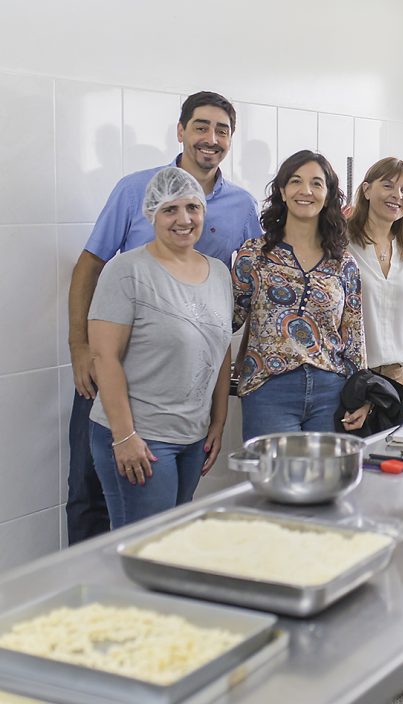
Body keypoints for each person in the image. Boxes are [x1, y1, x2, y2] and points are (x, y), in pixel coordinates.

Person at [66, 91, 261, 544]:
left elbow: (252, 286)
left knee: (168, 533)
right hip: (123, 372)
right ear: (181, 130)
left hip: (186, 401)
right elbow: (89, 266)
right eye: (201, 126)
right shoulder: (133, 198)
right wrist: (79, 346)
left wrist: (216, 417)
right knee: (91, 494)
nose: (211, 138)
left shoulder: (238, 215)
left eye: (222, 130)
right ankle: (86, 583)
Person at [88, 168, 233, 528]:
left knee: (171, 542)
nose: (184, 219)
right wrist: (124, 436)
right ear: (151, 214)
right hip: (142, 437)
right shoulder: (127, 271)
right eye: (170, 210)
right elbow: (104, 357)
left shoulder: (218, 273)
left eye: (192, 207)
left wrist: (218, 420)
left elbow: (220, 349)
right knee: (144, 547)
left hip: (193, 436)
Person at [232, 150, 366, 440]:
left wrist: (361, 395)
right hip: (268, 390)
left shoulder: (343, 263)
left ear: (328, 195)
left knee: (328, 472)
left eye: (316, 183)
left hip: (331, 392)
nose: (306, 190)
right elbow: (227, 320)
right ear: (282, 191)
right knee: (276, 472)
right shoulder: (254, 254)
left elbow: (354, 337)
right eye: (295, 181)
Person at [347, 157, 403, 419]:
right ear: (367, 190)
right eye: (388, 185)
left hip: (396, 379)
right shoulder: (344, 244)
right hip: (354, 378)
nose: (397, 196)